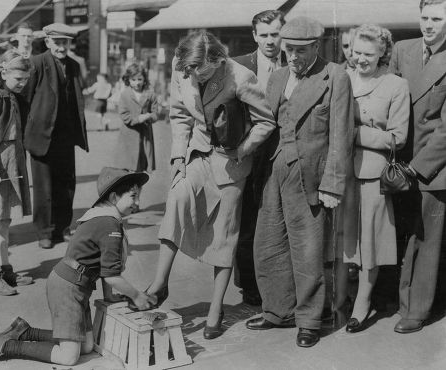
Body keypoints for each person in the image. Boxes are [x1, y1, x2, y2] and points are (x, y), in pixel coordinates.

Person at [146, 30, 276, 340]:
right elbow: (179, 115)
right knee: (177, 198)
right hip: (198, 154)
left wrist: (242, 150)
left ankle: (216, 309)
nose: (192, 75)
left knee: (224, 233)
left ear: (216, 60)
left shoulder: (239, 76)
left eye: (199, 70)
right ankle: (158, 284)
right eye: (188, 69)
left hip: (231, 161)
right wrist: (178, 157)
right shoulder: (184, 69)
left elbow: (266, 122)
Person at [246, 17, 354, 348]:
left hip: (310, 176)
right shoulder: (277, 77)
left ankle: (309, 320)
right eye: (288, 50)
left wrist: (333, 184)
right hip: (272, 171)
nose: (292, 57)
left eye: (300, 51)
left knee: (308, 251)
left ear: (316, 47)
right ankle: (278, 311)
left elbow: (341, 134)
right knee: (268, 245)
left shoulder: (335, 76)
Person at [0, 167, 156, 365]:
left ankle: (24, 331)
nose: (138, 203)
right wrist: (137, 296)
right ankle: (4, 347)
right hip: (67, 289)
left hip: (75, 286)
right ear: (113, 196)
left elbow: (105, 267)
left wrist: (109, 296)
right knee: (69, 357)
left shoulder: (103, 216)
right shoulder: (109, 225)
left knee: (86, 346)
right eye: (133, 196)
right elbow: (111, 276)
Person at [343, 24, 410, 333]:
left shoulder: (395, 85)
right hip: (340, 171)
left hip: (373, 173)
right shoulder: (342, 77)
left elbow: (397, 137)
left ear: (383, 52)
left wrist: (353, 132)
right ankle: (339, 298)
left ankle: (362, 303)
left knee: (368, 242)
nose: (360, 60)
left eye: (368, 54)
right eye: (356, 52)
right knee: (342, 239)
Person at [388, 0, 446, 334]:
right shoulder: (403, 49)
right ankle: (401, 300)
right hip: (399, 161)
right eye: (424, 17)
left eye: (437, 18)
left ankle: (416, 310)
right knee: (402, 234)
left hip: (433, 168)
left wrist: (417, 167)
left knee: (427, 240)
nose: (428, 24)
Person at [232, 9, 286, 307]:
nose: (269, 41)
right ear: (254, 36)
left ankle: (278, 281)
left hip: (282, 153)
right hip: (249, 154)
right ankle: (249, 286)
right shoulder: (238, 66)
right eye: (263, 35)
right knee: (247, 222)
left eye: (275, 34)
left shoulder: (294, 64)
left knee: (278, 220)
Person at [23, 23, 88, 249]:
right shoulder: (37, 63)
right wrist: (26, 134)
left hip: (65, 135)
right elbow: (25, 100)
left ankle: (62, 227)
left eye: (65, 43)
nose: (61, 47)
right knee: (43, 187)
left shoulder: (73, 66)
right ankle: (44, 231)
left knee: (66, 184)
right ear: (48, 42)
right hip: (41, 136)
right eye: (57, 42)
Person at [0, 50, 33, 296]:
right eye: (18, 79)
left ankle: (5, 269)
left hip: (12, 161)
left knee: (5, 220)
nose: (22, 84)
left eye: (25, 80)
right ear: (3, 72)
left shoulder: (11, 95)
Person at [113, 63, 157, 213]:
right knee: (127, 173)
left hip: (144, 139)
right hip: (128, 139)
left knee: (139, 173)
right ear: (128, 80)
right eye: (133, 79)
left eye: (140, 79)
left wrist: (150, 116)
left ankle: (136, 201)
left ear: (144, 79)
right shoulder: (125, 94)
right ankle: (125, 201)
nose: (137, 82)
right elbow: (124, 115)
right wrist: (139, 118)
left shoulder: (150, 94)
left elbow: (156, 113)